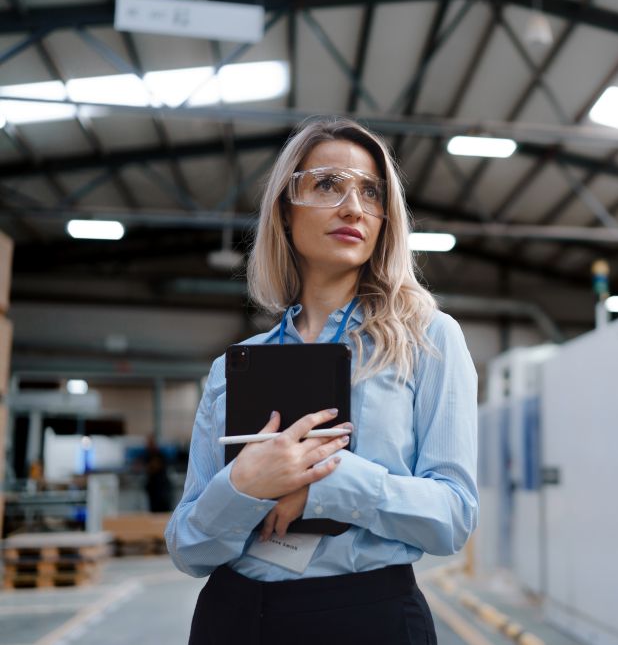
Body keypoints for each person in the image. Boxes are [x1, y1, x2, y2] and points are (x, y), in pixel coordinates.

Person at [166, 118, 479, 644]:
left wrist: (322, 487)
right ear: (286, 211)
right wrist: (244, 488)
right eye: (329, 184)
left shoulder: (428, 340)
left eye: (371, 192)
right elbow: (188, 546)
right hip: (232, 616)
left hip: (363, 617)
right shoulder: (233, 369)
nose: (354, 207)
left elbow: (452, 516)